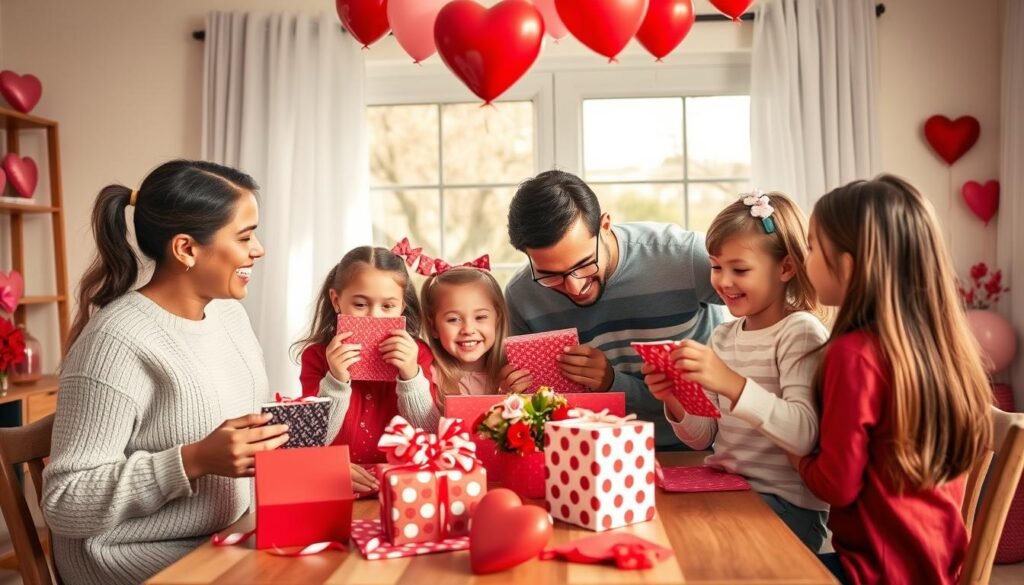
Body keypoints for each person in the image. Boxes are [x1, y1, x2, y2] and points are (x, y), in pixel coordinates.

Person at [42, 160, 287, 585]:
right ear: (186, 249)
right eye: (245, 236)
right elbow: (64, 501)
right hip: (130, 558)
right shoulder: (116, 340)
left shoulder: (229, 316)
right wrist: (192, 460)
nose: (259, 249)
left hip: (225, 535)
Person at [796, 175, 993, 584]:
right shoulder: (940, 349)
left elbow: (835, 486)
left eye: (812, 247)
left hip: (876, 573)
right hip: (935, 566)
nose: (804, 258)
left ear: (848, 267)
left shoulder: (854, 354)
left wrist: (791, 451)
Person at [644, 191, 829, 550]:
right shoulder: (724, 336)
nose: (724, 281)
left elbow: (804, 434)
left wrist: (732, 383)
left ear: (785, 268)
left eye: (739, 270)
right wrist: (674, 398)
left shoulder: (800, 332)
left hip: (786, 506)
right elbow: (704, 437)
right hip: (728, 488)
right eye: (716, 267)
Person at [502, 169, 725, 448]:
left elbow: (768, 306)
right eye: (550, 275)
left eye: (584, 264)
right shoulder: (521, 296)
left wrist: (612, 383)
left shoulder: (684, 257)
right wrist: (512, 394)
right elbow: (539, 409)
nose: (574, 287)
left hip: (702, 449)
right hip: (587, 455)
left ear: (605, 225)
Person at [295, 245, 438, 493]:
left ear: (402, 306)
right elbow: (313, 441)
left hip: (403, 487)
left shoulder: (418, 354)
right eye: (360, 304)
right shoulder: (316, 357)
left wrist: (410, 376)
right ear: (336, 300)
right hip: (337, 486)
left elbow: (429, 433)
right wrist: (336, 380)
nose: (374, 317)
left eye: (388, 306)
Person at [420, 265, 509, 399]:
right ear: (433, 327)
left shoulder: (512, 373)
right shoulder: (425, 378)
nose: (468, 330)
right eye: (454, 319)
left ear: (497, 320)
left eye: (480, 317)